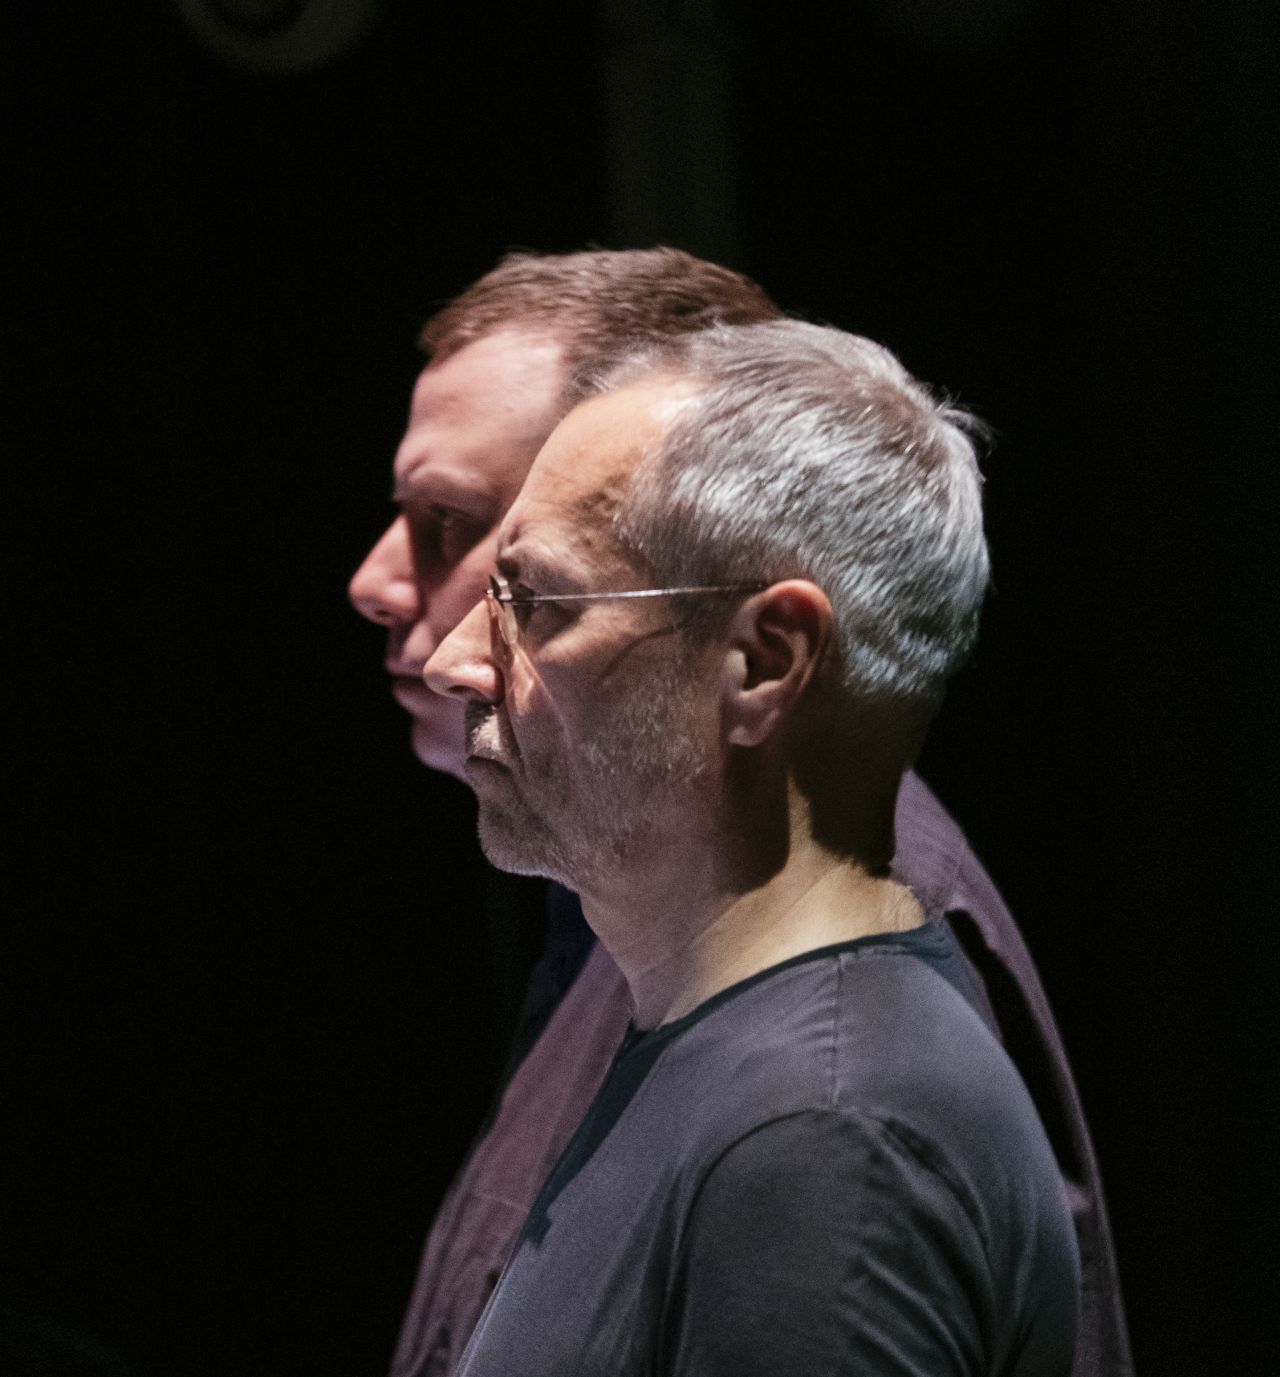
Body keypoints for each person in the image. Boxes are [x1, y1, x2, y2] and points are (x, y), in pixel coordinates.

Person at [348, 249, 1131, 1377]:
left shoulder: (826, 1133)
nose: (459, 660)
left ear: (762, 661)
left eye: (538, 599)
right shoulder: (711, 1038)